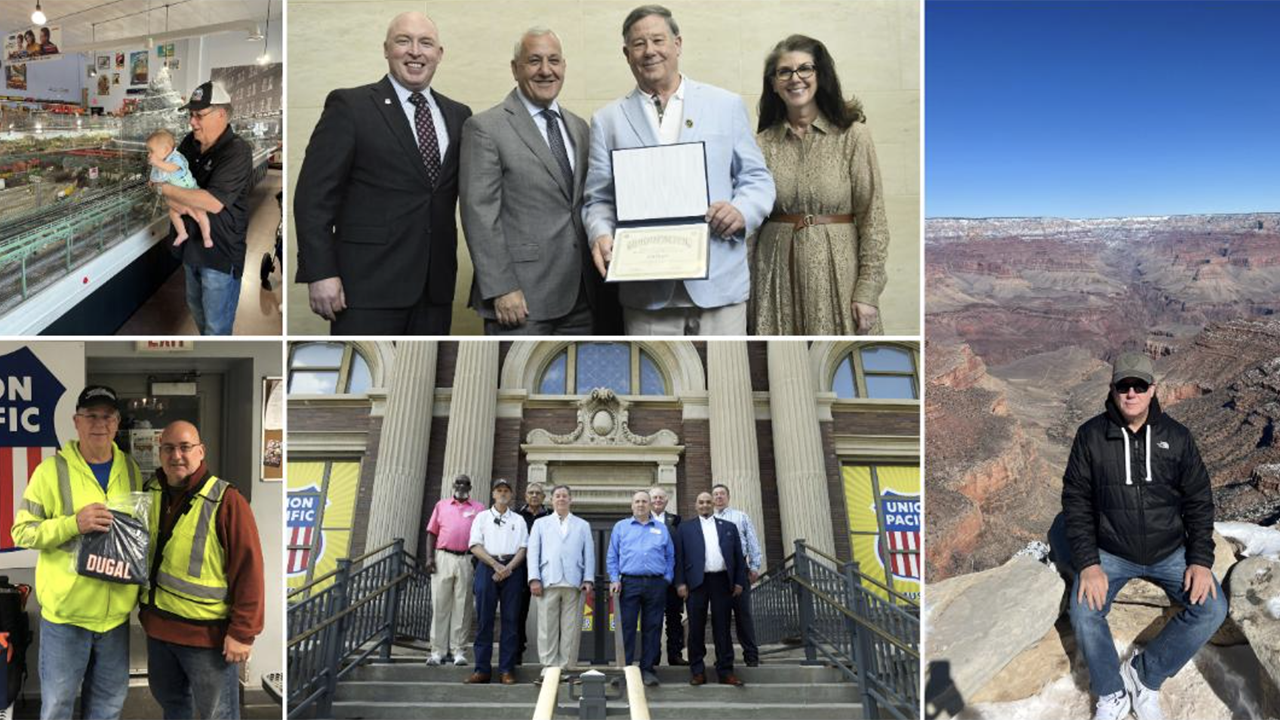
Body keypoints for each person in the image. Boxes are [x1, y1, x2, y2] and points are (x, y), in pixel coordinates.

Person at [582, 4, 775, 336]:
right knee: (655, 384)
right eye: (639, 44)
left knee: (727, 382)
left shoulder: (724, 105)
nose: (650, 51)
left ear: (678, 44)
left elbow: (757, 179)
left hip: (719, 285)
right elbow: (598, 199)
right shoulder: (607, 120)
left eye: (658, 40)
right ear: (626, 54)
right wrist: (600, 232)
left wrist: (741, 211)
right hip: (646, 293)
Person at [1061, 351, 1227, 720]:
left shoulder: (1177, 437)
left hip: (1169, 551)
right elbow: (1076, 502)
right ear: (1113, 389)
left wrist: (1199, 560)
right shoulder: (1091, 437)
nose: (1131, 393)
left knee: (1213, 608)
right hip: (1112, 552)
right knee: (1084, 611)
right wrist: (1088, 564)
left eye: (1139, 386)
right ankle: (1112, 693)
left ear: (1153, 390)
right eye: (1124, 386)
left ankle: (1143, 675)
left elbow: (1199, 501)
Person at [294, 11, 471, 335]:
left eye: (426, 43)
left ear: (439, 54)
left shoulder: (459, 115)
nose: (415, 51)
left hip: (435, 290)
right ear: (386, 49)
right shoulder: (350, 106)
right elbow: (313, 197)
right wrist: (320, 272)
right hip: (365, 289)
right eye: (404, 41)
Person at [12, 386, 143, 720]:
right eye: (91, 416)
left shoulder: (130, 468)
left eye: (107, 417)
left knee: (108, 708)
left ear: (116, 423)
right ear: (76, 422)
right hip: (67, 619)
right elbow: (22, 531)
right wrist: (73, 523)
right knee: (57, 707)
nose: (99, 424)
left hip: (115, 618)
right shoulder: (50, 471)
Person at [460, 28, 603, 335]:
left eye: (554, 60)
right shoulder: (486, 127)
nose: (545, 70)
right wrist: (502, 287)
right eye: (534, 61)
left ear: (564, 66)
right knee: (518, 382)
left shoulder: (579, 127)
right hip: (521, 299)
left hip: (584, 296)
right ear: (515, 68)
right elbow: (479, 214)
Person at [753, 34, 889, 335]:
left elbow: (873, 218)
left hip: (839, 273)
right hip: (774, 274)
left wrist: (867, 290)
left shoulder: (853, 136)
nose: (795, 78)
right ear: (773, 83)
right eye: (784, 72)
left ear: (820, 75)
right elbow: (750, 225)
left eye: (805, 69)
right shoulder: (760, 144)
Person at [141, 421, 265, 720]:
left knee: (218, 715)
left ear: (200, 451)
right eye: (169, 448)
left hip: (207, 640)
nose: (177, 456)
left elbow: (249, 571)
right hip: (158, 631)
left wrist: (243, 633)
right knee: (173, 708)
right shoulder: (150, 492)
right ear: (160, 453)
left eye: (185, 447)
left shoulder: (227, 500)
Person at [155, 79, 255, 335]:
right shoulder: (189, 143)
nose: (192, 121)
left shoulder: (237, 151)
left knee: (216, 326)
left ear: (221, 114)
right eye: (191, 114)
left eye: (199, 115)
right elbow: (169, 176)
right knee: (197, 310)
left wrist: (162, 189)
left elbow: (212, 201)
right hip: (191, 249)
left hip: (219, 254)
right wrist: (172, 191)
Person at [675, 492, 747, 687]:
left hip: (722, 581)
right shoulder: (685, 529)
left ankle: (725, 671)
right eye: (701, 502)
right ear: (696, 505)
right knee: (696, 628)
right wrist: (680, 583)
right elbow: (679, 559)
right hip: (695, 583)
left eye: (708, 502)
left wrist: (739, 582)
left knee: (722, 627)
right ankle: (698, 671)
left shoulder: (729, 527)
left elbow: (738, 558)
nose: (705, 505)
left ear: (713, 504)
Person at [606, 490, 675, 687]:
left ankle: (647, 670)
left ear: (650, 505)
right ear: (631, 505)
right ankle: (624, 670)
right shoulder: (621, 527)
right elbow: (613, 556)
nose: (641, 505)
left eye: (644, 501)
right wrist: (614, 578)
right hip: (629, 583)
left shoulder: (661, 528)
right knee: (627, 627)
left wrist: (667, 578)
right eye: (637, 501)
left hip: (656, 584)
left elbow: (670, 556)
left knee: (652, 628)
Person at [525, 485, 593, 683]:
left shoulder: (582, 525)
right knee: (547, 626)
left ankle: (567, 667)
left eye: (564, 496)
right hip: (548, 580)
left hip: (573, 582)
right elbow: (533, 553)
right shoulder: (540, 524)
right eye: (557, 496)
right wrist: (534, 578)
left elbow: (588, 554)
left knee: (570, 628)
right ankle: (549, 668)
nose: (561, 499)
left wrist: (588, 578)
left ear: (570, 500)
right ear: (552, 500)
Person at [467, 479, 528, 685]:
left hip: (512, 569)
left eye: (506, 491)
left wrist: (507, 568)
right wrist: (495, 565)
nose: (502, 493)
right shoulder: (482, 517)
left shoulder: (518, 520)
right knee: (484, 620)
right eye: (499, 490)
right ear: (493, 494)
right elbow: (475, 546)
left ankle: (506, 670)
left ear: (511, 496)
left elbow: (523, 548)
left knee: (511, 622)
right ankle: (482, 670)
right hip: (487, 567)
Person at [424, 475, 485, 667]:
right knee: (440, 604)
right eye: (458, 483)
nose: (461, 486)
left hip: (468, 558)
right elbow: (431, 533)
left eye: (465, 483)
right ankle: (437, 651)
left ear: (470, 487)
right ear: (453, 486)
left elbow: (483, 534)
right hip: (443, 557)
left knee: (463, 605)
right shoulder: (441, 505)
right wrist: (429, 558)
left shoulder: (479, 508)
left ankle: (458, 650)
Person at [711, 483, 761, 666]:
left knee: (743, 616)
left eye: (722, 494)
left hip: (740, 572)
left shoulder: (740, 517)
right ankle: (723, 658)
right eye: (715, 494)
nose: (718, 497)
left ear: (728, 497)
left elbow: (752, 541)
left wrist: (755, 566)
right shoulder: (708, 520)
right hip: (719, 575)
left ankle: (751, 656)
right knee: (720, 618)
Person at [148, 128, 213, 248]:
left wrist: (157, 163)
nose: (149, 155)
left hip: (192, 191)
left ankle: (206, 236)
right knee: (173, 214)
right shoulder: (162, 161)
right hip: (178, 197)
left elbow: (172, 168)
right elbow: (158, 178)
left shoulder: (176, 158)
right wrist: (153, 181)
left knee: (200, 213)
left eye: (151, 151)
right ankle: (182, 233)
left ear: (166, 150)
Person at [648, 485, 685, 665]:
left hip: (671, 579)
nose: (657, 501)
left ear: (666, 500)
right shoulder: (641, 520)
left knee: (674, 618)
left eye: (660, 498)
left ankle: (675, 655)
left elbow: (680, 551)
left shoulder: (676, 521)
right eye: (654, 498)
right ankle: (653, 656)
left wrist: (680, 581)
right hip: (650, 579)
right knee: (652, 619)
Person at [515, 482, 551, 664]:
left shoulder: (551, 517)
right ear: (525, 496)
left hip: (545, 571)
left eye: (538, 493)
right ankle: (517, 652)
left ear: (544, 497)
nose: (535, 496)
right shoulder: (516, 517)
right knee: (518, 612)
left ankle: (549, 656)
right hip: (520, 571)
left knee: (548, 613)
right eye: (531, 493)